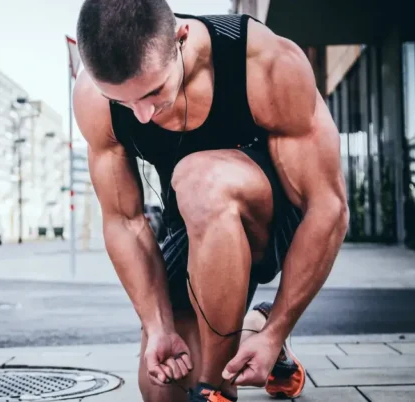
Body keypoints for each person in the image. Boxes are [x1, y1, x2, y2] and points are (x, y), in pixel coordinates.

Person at [72, 1, 349, 401]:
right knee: (162, 386)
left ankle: (216, 386)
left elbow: (328, 207)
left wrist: (279, 332)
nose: (142, 115)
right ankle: (251, 326)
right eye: (124, 102)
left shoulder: (263, 60)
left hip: (276, 220)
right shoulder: (94, 97)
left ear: (180, 39)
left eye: (153, 92)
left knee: (200, 178)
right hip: (194, 228)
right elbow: (124, 220)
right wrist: (158, 327)